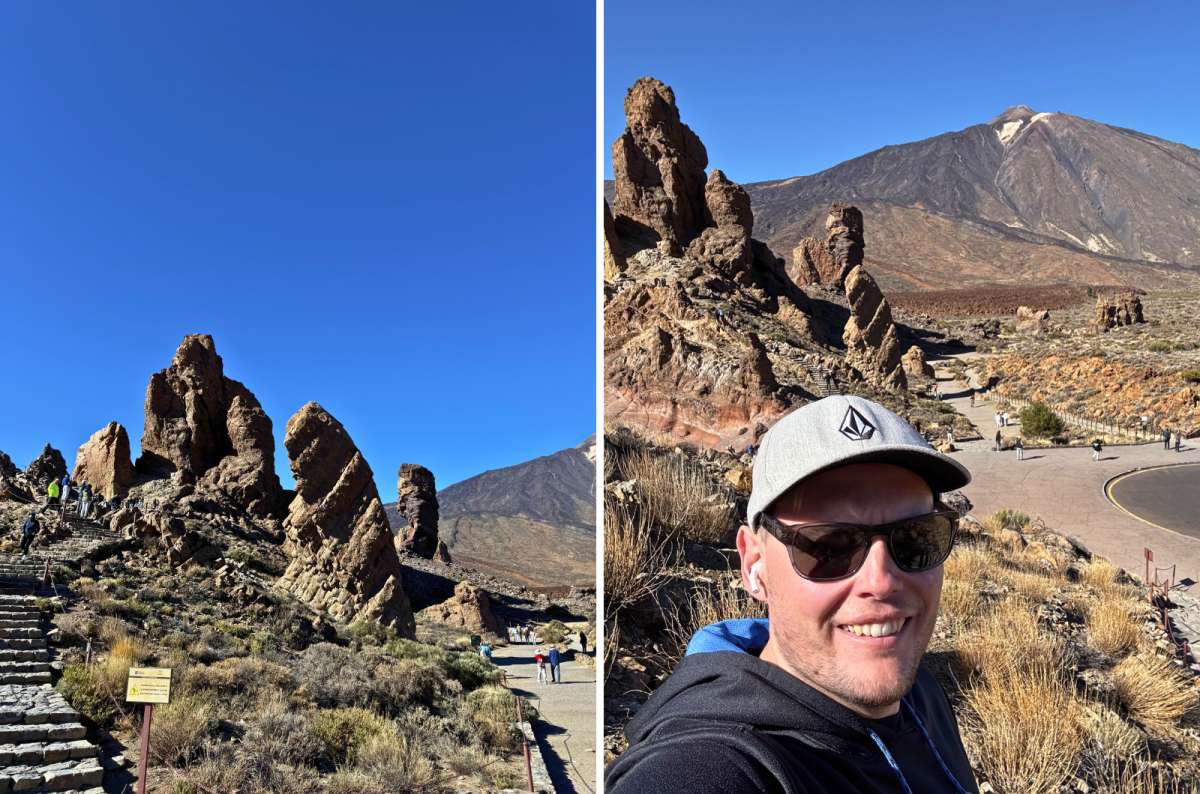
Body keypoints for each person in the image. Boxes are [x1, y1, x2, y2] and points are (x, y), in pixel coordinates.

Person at [606, 395, 977, 793]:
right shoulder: (714, 766)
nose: (882, 581)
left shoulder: (920, 693)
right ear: (754, 565)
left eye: (916, 538)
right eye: (829, 547)